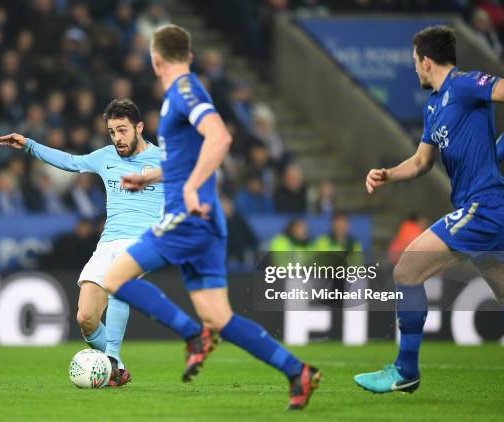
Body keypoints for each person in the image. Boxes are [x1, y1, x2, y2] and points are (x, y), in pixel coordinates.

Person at [101, 24, 320, 411]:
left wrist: (189, 190)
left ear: (155, 61)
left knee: (114, 278)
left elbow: (220, 137)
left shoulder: (185, 91)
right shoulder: (177, 96)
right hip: (206, 220)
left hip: (189, 217)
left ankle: (192, 336)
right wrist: (150, 176)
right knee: (219, 317)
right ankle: (297, 371)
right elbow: (184, 161)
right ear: (187, 54)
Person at [356, 26, 504, 394]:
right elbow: (422, 161)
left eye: (414, 63)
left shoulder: (467, 85)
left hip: (483, 206)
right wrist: (388, 174)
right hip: (483, 210)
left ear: (426, 61)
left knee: (407, 270)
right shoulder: (435, 106)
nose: (415, 71)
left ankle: (406, 370)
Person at [0, 99, 163, 387]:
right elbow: (70, 162)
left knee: (118, 283)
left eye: (122, 130)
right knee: (86, 318)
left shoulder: (163, 161)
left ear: (139, 127)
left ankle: (110, 358)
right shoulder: (106, 156)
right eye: (112, 132)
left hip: (143, 242)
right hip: (108, 243)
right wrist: (29, 145)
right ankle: (117, 369)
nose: (117, 138)